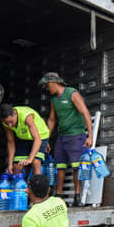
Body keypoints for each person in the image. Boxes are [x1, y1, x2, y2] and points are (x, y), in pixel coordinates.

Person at [40, 72, 94, 206]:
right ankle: (59, 197)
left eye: (47, 85)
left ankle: (77, 197)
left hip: (76, 135)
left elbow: (85, 112)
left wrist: (90, 136)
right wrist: (46, 140)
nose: (47, 89)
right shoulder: (54, 100)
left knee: (76, 167)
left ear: (53, 82)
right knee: (60, 167)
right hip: (62, 137)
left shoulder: (72, 93)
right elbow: (52, 120)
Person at [0, 104, 50, 176]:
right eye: (7, 123)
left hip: (40, 136)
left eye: (11, 121)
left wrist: (30, 159)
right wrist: (10, 164)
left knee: (35, 162)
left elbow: (37, 140)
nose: (9, 125)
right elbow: (10, 142)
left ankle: (38, 185)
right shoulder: (6, 122)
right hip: (24, 137)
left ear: (15, 113)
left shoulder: (26, 116)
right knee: (16, 166)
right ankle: (19, 185)